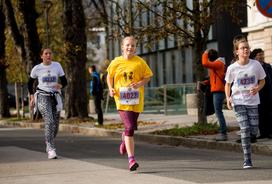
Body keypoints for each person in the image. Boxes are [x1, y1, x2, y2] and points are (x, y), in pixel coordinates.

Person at [106, 36, 153, 171]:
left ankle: (124, 137)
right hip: (121, 99)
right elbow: (109, 75)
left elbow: (148, 76)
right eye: (127, 45)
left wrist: (139, 83)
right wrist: (110, 88)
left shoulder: (140, 62)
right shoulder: (116, 62)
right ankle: (131, 160)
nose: (130, 48)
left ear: (135, 48)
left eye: (132, 45)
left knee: (130, 128)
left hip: (136, 99)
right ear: (122, 47)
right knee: (130, 126)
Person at [225, 35, 266, 169]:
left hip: (253, 101)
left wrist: (257, 88)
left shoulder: (256, 64)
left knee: (254, 129)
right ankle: (247, 159)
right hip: (238, 101)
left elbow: (262, 80)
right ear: (237, 51)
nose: (246, 50)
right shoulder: (232, 68)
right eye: (243, 48)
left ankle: (251, 136)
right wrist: (228, 98)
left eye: (247, 48)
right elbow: (227, 84)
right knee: (245, 128)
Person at [28, 48, 67, 159]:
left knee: (55, 126)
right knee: (49, 120)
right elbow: (29, 83)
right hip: (42, 96)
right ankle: (50, 148)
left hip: (54, 97)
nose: (48, 55)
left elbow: (64, 81)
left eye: (50, 53)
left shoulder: (57, 66)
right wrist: (32, 97)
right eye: (46, 53)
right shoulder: (37, 68)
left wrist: (61, 85)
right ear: (42, 56)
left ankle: (48, 140)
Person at [202, 49, 227, 141]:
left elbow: (205, 63)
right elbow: (215, 77)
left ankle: (223, 134)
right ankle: (223, 132)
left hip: (218, 91)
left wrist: (205, 53)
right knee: (218, 112)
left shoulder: (218, 63)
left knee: (218, 112)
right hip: (217, 90)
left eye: (208, 56)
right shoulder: (218, 64)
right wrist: (207, 82)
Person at [250, 48, 272, 139]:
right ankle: (263, 133)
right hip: (259, 92)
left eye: (262, 54)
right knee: (260, 113)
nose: (261, 56)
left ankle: (270, 132)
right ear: (255, 57)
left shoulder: (268, 66)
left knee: (269, 113)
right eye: (259, 55)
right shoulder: (253, 66)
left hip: (269, 92)